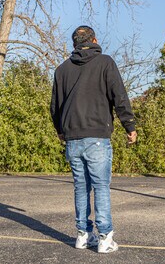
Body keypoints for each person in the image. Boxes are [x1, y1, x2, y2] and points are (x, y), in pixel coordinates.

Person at [51, 26, 137, 254]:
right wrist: (129, 125)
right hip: (97, 136)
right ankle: (105, 237)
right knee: (100, 187)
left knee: (81, 186)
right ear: (95, 40)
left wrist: (61, 130)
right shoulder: (105, 62)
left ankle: (82, 235)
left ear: (75, 45)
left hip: (72, 137)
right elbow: (119, 96)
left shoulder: (61, 70)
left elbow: (55, 106)